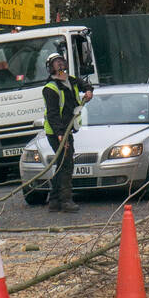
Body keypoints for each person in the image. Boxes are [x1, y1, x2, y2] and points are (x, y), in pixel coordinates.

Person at [42, 52, 93, 213]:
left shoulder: (70, 80)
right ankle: (66, 201)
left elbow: (85, 84)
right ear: (51, 68)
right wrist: (60, 133)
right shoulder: (50, 88)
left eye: (61, 62)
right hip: (57, 131)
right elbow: (53, 114)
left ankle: (54, 200)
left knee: (62, 163)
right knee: (66, 164)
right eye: (56, 63)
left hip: (67, 129)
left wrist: (89, 91)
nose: (60, 65)